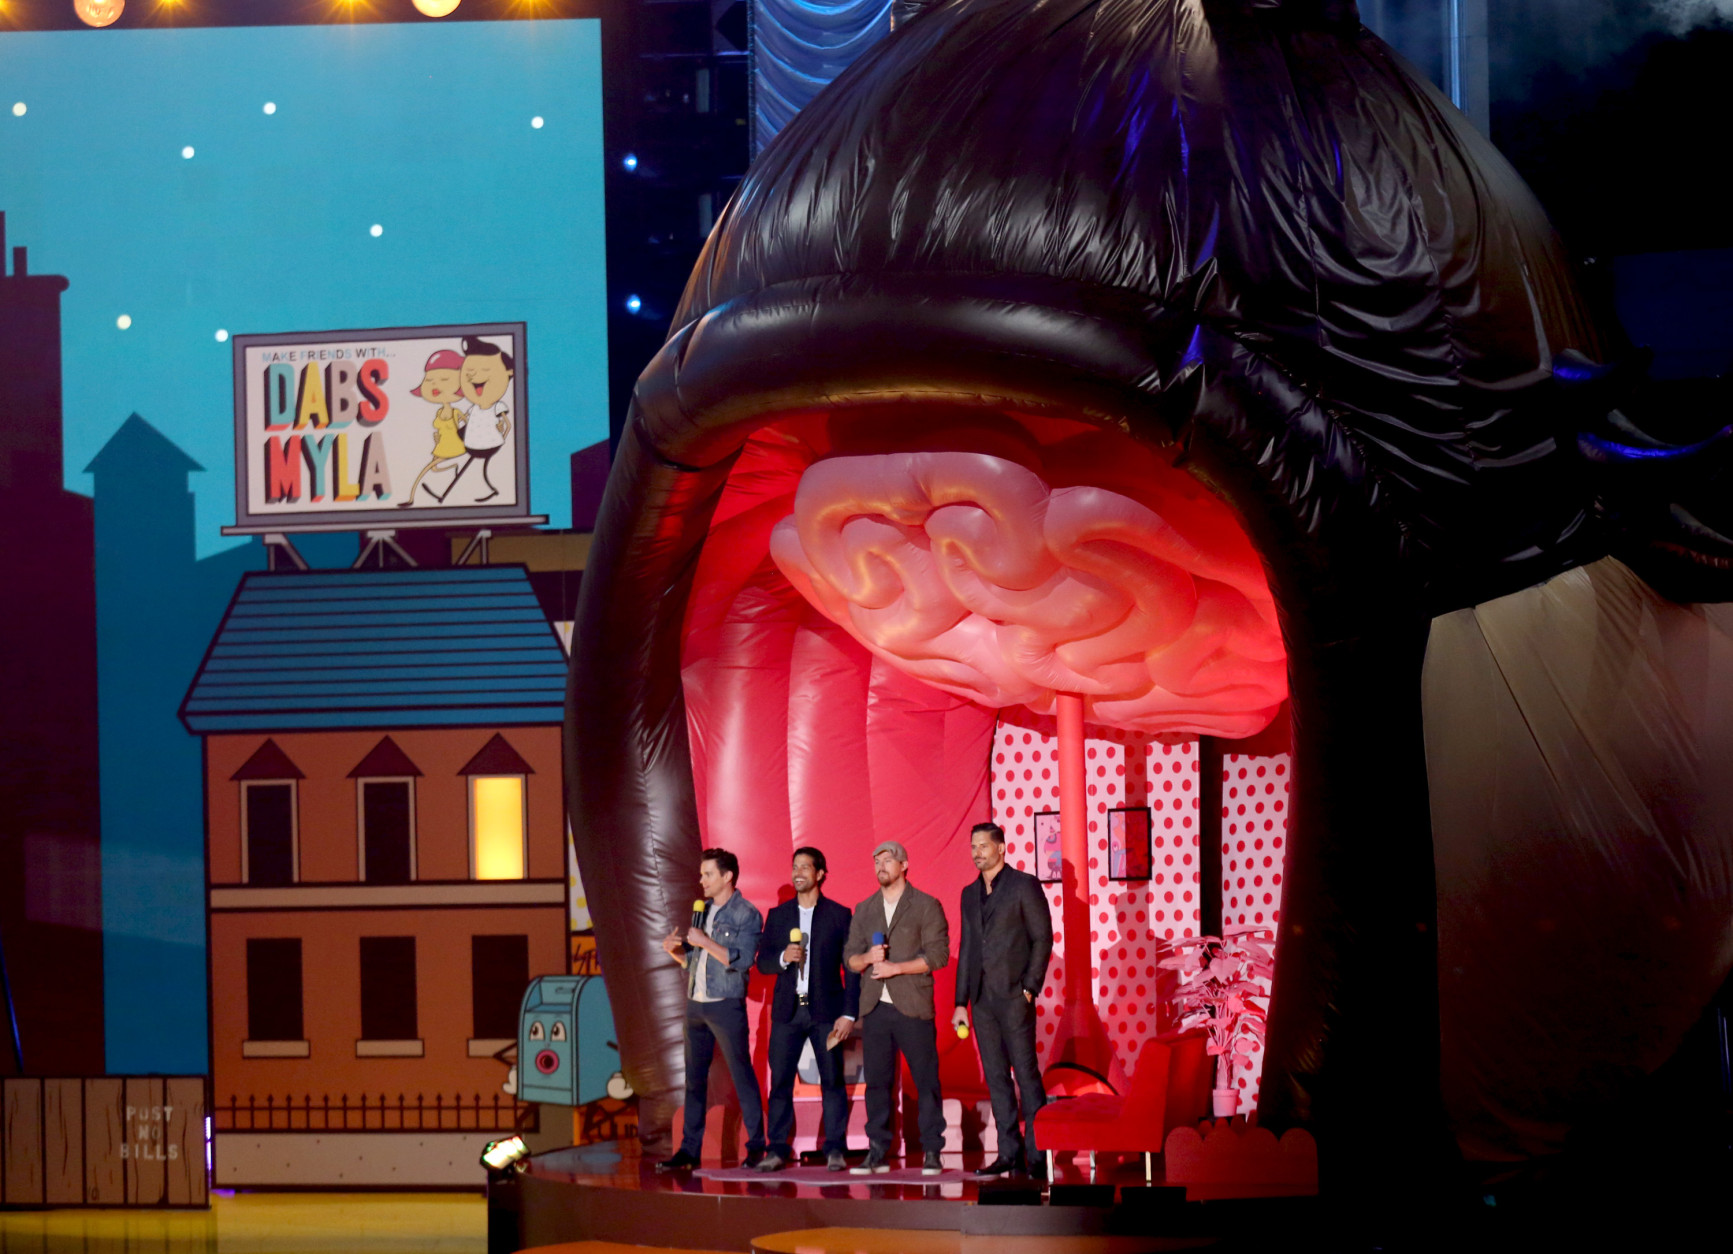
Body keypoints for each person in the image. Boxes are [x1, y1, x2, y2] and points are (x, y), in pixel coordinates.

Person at [843, 840, 950, 1175]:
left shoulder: (926, 905)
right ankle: (877, 1149)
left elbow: (938, 955)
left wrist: (896, 968)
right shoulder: (864, 908)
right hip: (875, 1007)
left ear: (904, 865)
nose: (880, 866)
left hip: (913, 1005)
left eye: (887, 860)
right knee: (876, 1080)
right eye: (876, 861)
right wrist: (866, 959)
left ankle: (932, 1149)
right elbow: (850, 957)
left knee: (925, 1079)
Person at [952, 821, 1052, 1177]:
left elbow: (1043, 938)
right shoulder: (968, 893)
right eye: (973, 846)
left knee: (1025, 1074)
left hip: (1014, 996)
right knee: (996, 1077)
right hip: (981, 1000)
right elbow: (966, 948)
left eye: (983, 846)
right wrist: (960, 1002)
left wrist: (1030, 986)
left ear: (1002, 848)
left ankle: (1039, 1156)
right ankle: (1008, 1152)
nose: (977, 852)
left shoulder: (1024, 885)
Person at [657, 848, 766, 1171]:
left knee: (741, 1074)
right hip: (696, 1004)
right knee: (694, 1080)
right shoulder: (701, 910)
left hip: (725, 1005)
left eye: (707, 874)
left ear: (727, 876)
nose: (701, 880)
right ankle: (689, 1150)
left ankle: (757, 1146)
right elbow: (696, 962)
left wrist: (705, 942)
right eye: (702, 874)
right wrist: (676, 953)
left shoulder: (747, 913)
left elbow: (743, 961)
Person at [754, 846, 861, 1172]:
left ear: (820, 874)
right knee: (781, 1082)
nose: (798, 873)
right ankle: (777, 1149)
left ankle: (835, 1148)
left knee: (832, 1081)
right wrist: (785, 957)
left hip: (825, 1011)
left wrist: (849, 1013)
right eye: (794, 867)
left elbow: (852, 968)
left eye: (805, 867)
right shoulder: (778, 915)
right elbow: (763, 964)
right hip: (788, 1012)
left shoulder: (840, 915)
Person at [433, 337, 513, 503]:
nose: (473, 375)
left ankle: (490, 490)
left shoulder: (496, 406)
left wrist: (501, 437)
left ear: (508, 373)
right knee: (468, 466)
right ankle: (447, 492)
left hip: (488, 444)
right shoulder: (474, 408)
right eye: (468, 371)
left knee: (478, 469)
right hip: (472, 443)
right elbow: (464, 419)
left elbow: (508, 424)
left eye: (485, 369)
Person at [400, 349, 467, 507]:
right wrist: (437, 437)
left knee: (426, 469)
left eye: (444, 379)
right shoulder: (439, 411)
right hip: (441, 446)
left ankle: (411, 499)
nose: (435, 384)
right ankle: (455, 467)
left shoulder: (456, 412)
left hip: (454, 447)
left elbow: (467, 424)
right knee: (435, 469)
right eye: (429, 380)